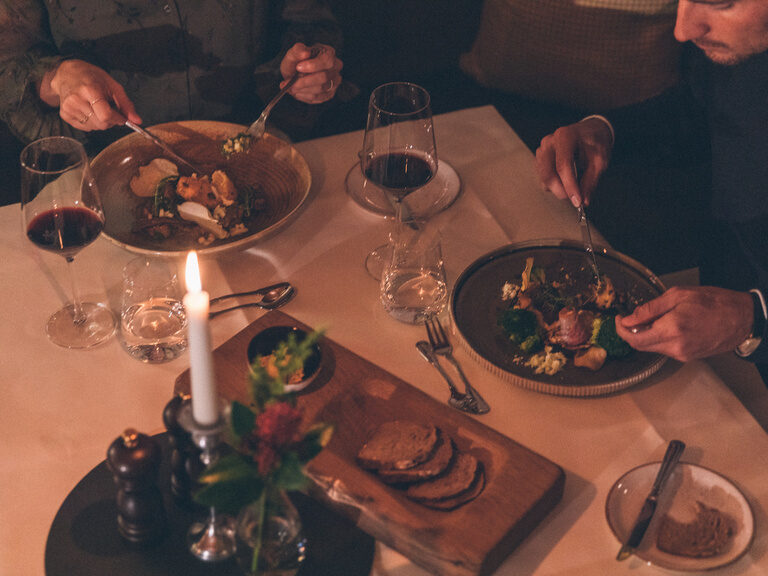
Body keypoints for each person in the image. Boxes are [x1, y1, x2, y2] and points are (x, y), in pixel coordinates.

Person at [535, 0, 768, 380]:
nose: (682, 29)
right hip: (717, 329)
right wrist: (607, 132)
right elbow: (704, 106)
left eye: (721, 2)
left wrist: (753, 318)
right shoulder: (743, 46)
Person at [0, 0, 344, 148]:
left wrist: (304, 68)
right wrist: (57, 79)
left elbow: (310, 24)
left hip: (255, 145)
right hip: (98, 165)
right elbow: (7, 69)